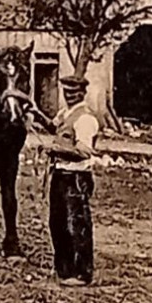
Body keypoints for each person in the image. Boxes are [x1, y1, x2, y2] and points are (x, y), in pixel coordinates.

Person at [45, 75, 100, 287]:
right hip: (60, 175)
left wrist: (55, 150)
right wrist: (33, 113)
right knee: (57, 223)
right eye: (66, 92)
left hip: (76, 177)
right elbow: (54, 127)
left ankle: (82, 274)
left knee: (77, 225)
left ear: (82, 93)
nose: (69, 96)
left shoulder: (85, 118)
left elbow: (83, 152)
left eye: (74, 93)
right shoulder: (66, 113)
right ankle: (64, 270)